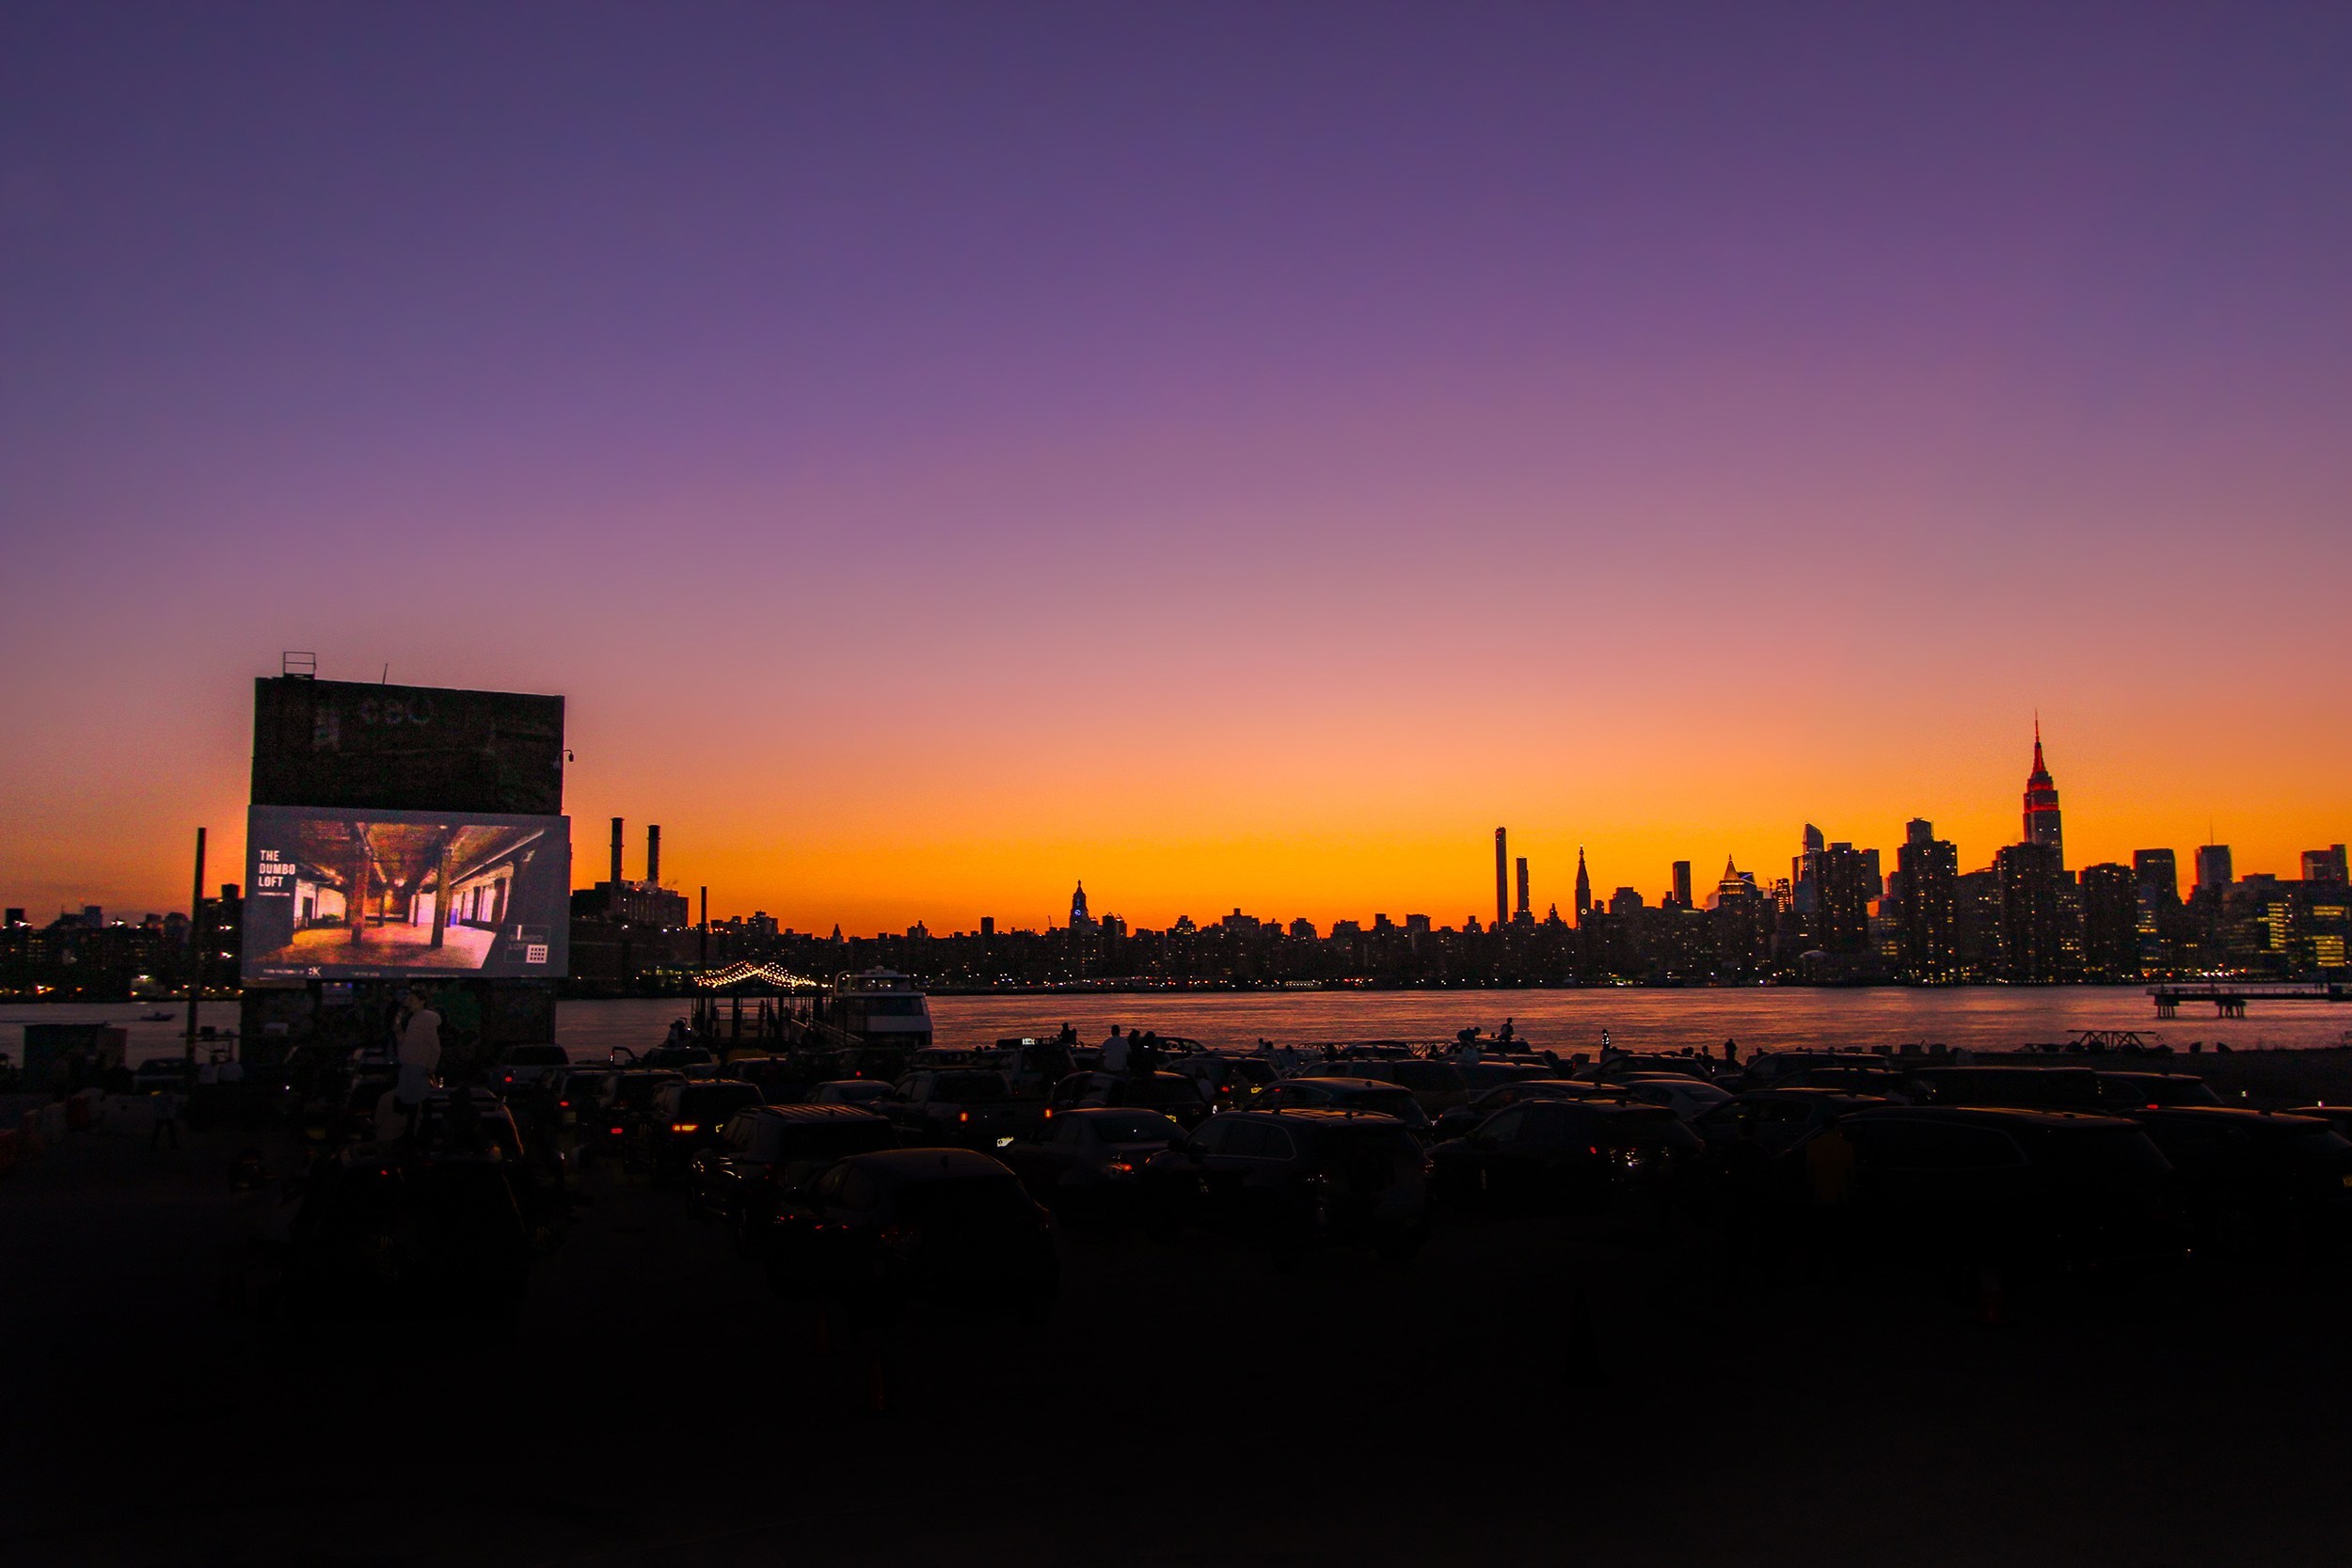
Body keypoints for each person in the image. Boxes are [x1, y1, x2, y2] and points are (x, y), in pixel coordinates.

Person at [396, 987, 443, 1135]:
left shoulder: (425, 1019)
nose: (409, 1002)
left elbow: (434, 1046)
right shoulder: (413, 1019)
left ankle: (418, 1133)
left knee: (416, 1105)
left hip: (418, 1066)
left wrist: (430, 1066)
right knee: (413, 1104)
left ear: (422, 1002)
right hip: (412, 1065)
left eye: (412, 1000)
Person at [149, 1085, 182, 1150]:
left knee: (157, 1131)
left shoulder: (158, 1095)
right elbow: (175, 1103)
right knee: (171, 1132)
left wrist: (156, 1112)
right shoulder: (172, 1095)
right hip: (168, 1115)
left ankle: (153, 1144)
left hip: (161, 1116)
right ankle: (174, 1145)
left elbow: (154, 1105)